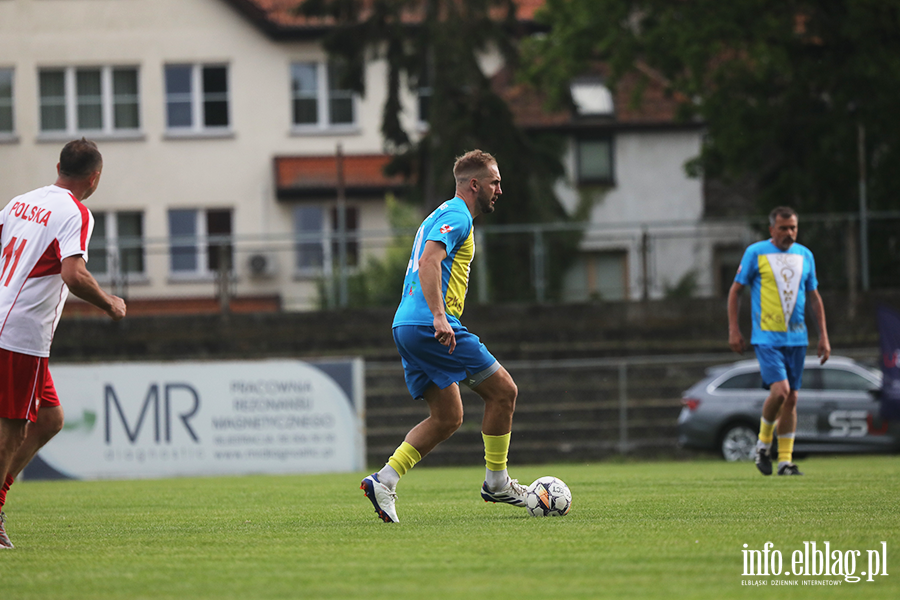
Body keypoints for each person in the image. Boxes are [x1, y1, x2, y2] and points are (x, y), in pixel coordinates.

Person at [361, 149, 525, 522]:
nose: (499, 189)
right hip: (428, 325)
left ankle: (384, 480)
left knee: (448, 416)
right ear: (475, 185)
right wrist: (439, 316)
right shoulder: (457, 215)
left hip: (405, 326)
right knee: (504, 392)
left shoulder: (438, 214)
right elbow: (428, 261)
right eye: (495, 182)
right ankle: (497, 483)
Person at [0, 138, 126, 549]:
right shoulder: (75, 213)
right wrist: (109, 303)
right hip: (19, 334)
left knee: (50, 419)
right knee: (12, 429)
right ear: (95, 178)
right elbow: (74, 274)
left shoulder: (22, 202)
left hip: (13, 328)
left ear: (58, 167)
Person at [727, 206, 830, 477]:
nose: (789, 233)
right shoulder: (756, 252)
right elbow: (735, 291)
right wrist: (734, 329)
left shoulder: (805, 255)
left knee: (792, 399)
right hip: (766, 337)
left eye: (793, 227)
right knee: (781, 392)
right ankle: (763, 446)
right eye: (783, 228)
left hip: (797, 337)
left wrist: (823, 336)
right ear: (771, 229)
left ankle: (785, 462)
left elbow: (814, 297)